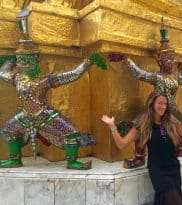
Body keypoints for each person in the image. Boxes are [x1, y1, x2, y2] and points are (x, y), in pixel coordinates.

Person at [0, 9, 107, 169]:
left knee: (71, 133)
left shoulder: (44, 80)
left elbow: (72, 75)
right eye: (21, 60)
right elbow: (3, 73)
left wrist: (87, 62)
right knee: (7, 131)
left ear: (36, 59)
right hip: (25, 114)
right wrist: (9, 62)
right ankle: (15, 159)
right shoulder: (17, 78)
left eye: (28, 59)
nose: (24, 63)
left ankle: (71, 161)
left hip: (44, 114)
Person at [102, 91, 182, 205]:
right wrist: (112, 126)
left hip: (173, 169)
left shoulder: (172, 123)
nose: (163, 106)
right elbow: (121, 144)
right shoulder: (142, 126)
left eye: (165, 104)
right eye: (160, 103)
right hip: (158, 171)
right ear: (152, 104)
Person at [109, 18, 182, 169]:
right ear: (160, 61)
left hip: (171, 109)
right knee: (140, 124)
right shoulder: (157, 76)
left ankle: (180, 149)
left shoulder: (175, 77)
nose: (171, 61)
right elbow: (139, 74)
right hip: (155, 110)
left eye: (172, 59)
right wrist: (126, 59)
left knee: (178, 122)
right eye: (168, 58)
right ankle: (139, 157)